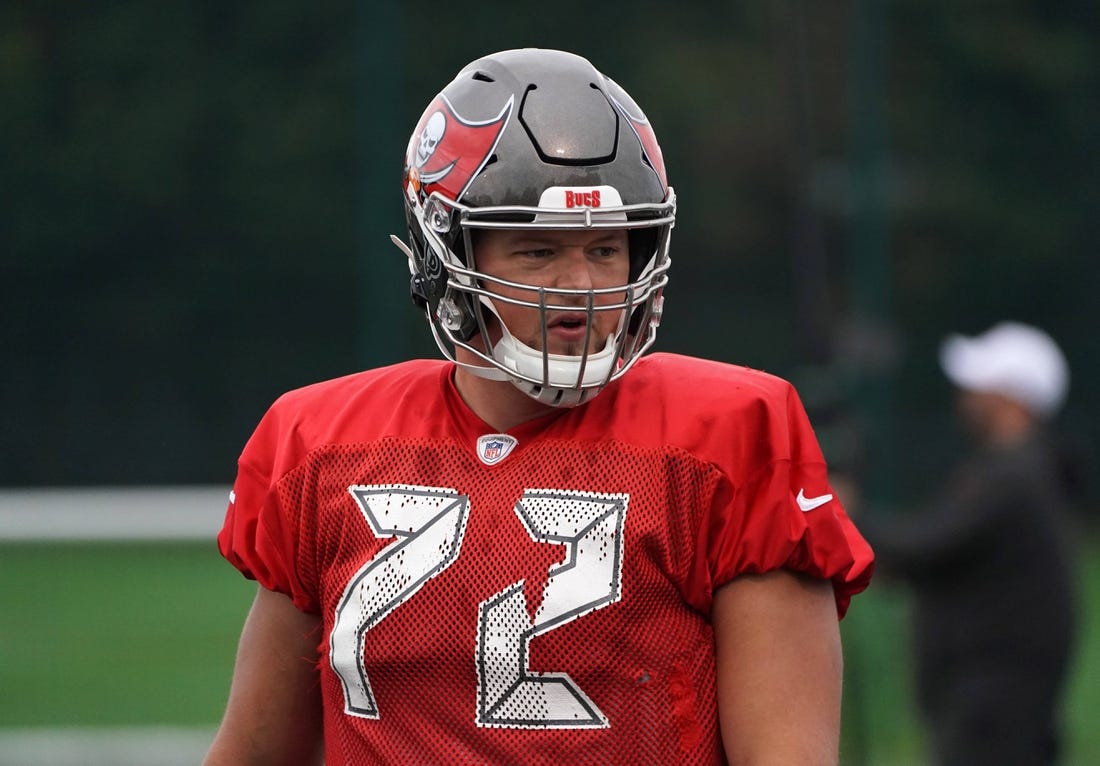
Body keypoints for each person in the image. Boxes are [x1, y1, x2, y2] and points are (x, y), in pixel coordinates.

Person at [203, 47, 874, 766]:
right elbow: (253, 752)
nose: (579, 288)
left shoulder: (727, 433)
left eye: (607, 249)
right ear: (445, 254)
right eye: (536, 251)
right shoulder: (322, 443)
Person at [864, 321, 1078, 766]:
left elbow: (923, 545)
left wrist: (836, 511)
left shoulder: (1011, 479)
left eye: (979, 386)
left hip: (991, 715)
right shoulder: (1025, 475)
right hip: (997, 708)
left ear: (1011, 399)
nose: (965, 396)